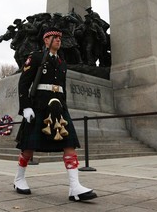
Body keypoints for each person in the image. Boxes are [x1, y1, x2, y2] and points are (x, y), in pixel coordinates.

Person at [14, 27, 97, 202]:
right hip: (39, 106)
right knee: (28, 147)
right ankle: (19, 178)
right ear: (46, 40)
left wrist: (64, 106)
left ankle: (75, 187)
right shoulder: (36, 57)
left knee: (69, 144)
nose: (58, 40)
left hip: (58, 107)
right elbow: (23, 84)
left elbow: (62, 88)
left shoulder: (62, 63)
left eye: (60, 37)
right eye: (54, 37)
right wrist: (26, 107)